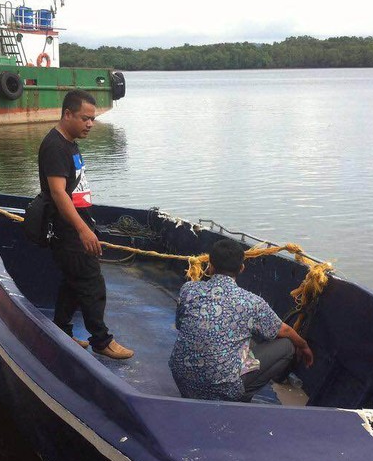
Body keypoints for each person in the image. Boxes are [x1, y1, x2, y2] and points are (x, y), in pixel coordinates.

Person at [38, 89, 133, 359]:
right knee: (92, 283)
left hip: (77, 226)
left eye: (93, 118)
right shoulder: (56, 146)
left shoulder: (69, 142)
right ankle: (101, 340)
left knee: (73, 282)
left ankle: (61, 332)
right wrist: (82, 230)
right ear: (67, 114)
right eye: (85, 118)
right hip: (69, 231)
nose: (90, 124)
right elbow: (58, 193)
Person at [169, 238, 314, 401]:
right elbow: (285, 330)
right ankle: (241, 397)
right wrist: (304, 346)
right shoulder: (251, 302)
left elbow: (180, 324)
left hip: (183, 382)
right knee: (287, 346)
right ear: (242, 268)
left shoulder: (189, 289)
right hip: (222, 390)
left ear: (210, 266)